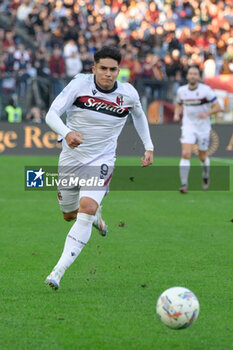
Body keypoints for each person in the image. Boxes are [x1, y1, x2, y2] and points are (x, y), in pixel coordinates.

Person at [45, 46, 154, 290]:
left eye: (113, 69)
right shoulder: (79, 85)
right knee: (68, 215)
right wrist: (67, 132)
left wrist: (149, 146)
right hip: (71, 158)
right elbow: (51, 115)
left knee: (86, 208)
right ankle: (96, 219)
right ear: (93, 69)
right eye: (103, 68)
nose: (108, 74)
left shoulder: (128, 93)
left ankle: (57, 272)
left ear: (119, 70)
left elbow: (138, 115)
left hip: (101, 160)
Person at [173, 65, 221, 193]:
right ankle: (184, 184)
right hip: (188, 126)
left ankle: (205, 175)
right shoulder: (181, 91)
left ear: (199, 76)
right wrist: (177, 114)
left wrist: (207, 114)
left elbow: (217, 107)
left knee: (203, 157)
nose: (192, 76)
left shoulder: (206, 91)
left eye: (195, 74)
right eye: (190, 73)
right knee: (185, 154)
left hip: (203, 127)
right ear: (187, 76)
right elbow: (178, 103)